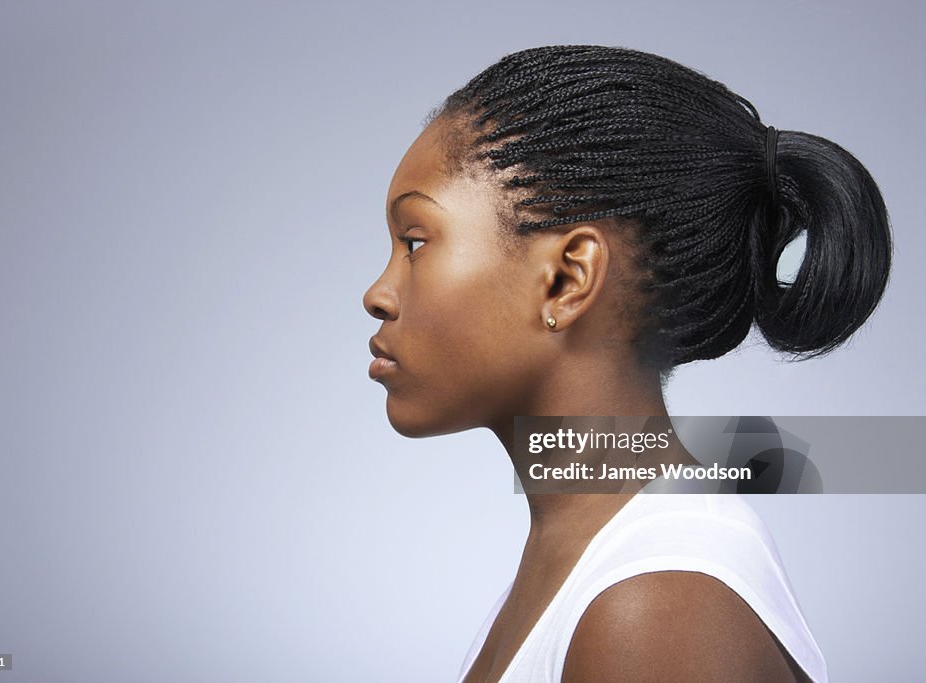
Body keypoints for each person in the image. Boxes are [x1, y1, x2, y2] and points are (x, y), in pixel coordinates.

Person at [362, 45, 890, 682]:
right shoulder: (599, 560)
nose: (379, 294)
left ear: (566, 279)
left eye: (415, 242)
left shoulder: (656, 602)